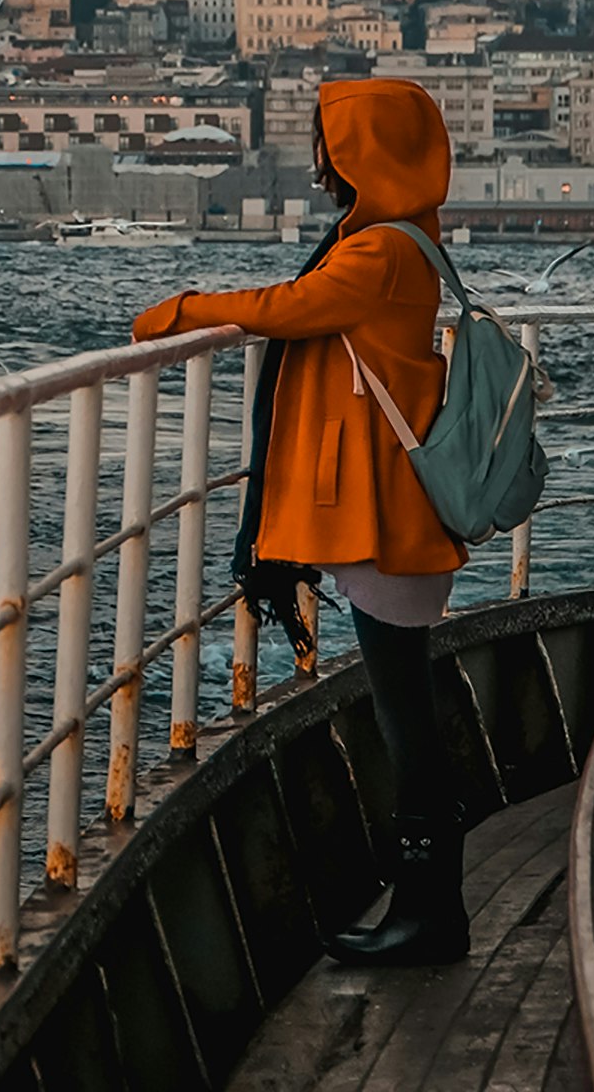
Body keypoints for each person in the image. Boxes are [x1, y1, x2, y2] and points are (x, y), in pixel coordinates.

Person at [130, 76, 470, 966]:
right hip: (392, 506)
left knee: (406, 718)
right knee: (409, 706)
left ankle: (431, 911)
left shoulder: (379, 252)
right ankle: (428, 902)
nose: (318, 163)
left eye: (329, 143)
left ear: (360, 152)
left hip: (389, 514)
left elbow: (288, 308)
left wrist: (182, 308)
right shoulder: (404, 237)